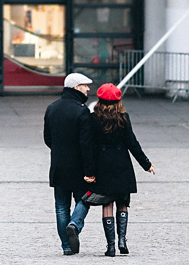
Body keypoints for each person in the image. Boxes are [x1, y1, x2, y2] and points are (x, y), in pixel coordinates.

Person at [83, 83, 155, 257]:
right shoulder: (124, 117)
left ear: (99, 100)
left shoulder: (93, 119)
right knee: (123, 203)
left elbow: (89, 147)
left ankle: (111, 246)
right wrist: (146, 164)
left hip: (103, 166)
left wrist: (90, 172)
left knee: (107, 203)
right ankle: (122, 240)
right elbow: (132, 143)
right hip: (122, 165)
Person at [43, 72, 94, 255]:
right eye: (85, 85)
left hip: (58, 165)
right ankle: (75, 224)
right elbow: (86, 143)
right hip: (78, 166)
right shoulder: (82, 110)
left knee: (61, 206)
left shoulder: (52, 108)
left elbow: (47, 138)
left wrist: (59, 150)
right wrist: (90, 170)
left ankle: (66, 246)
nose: (88, 89)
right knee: (85, 199)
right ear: (76, 88)